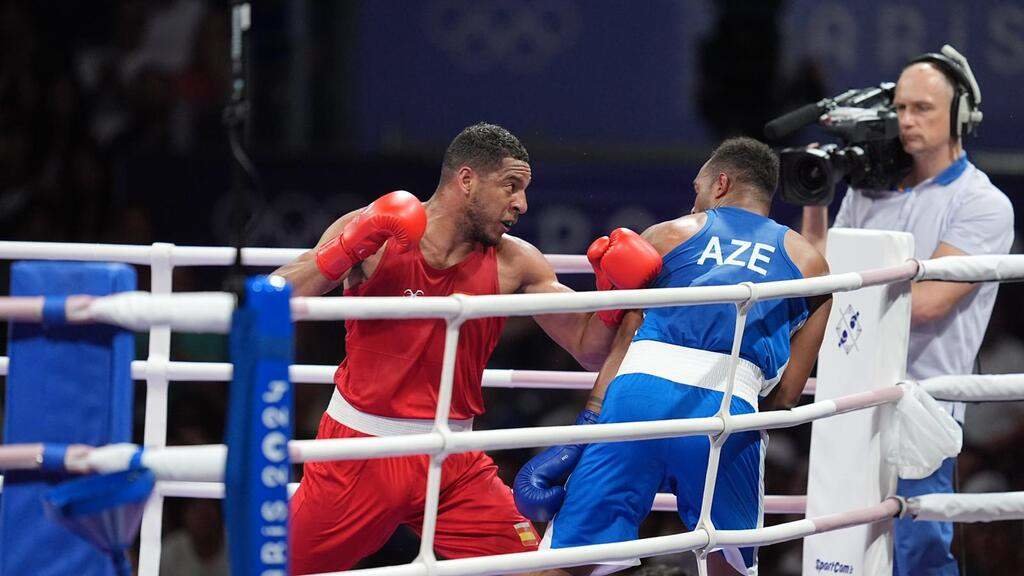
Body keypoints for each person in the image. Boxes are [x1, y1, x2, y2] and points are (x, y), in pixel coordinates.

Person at [274, 122, 663, 574]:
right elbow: (275, 299)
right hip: (358, 453)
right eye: (511, 186)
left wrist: (615, 301)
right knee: (272, 567)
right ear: (466, 181)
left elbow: (587, 348)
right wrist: (347, 246)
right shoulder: (371, 234)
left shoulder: (516, 261)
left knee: (539, 570)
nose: (522, 203)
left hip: (453, 462)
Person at [515, 137, 833, 575]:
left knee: (569, 562)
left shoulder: (667, 234)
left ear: (720, 184)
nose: (694, 199)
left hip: (637, 397)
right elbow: (787, 396)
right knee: (730, 565)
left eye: (698, 188)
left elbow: (625, 342)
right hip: (728, 410)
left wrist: (589, 421)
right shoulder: (810, 263)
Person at [801, 47, 1014, 576]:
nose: (907, 120)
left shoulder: (982, 203)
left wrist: (837, 296)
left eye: (923, 108)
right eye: (900, 108)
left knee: (918, 550)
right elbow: (818, 273)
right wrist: (816, 194)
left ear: (960, 116)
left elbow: (927, 304)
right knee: (838, 551)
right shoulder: (869, 191)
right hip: (849, 395)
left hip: (924, 402)